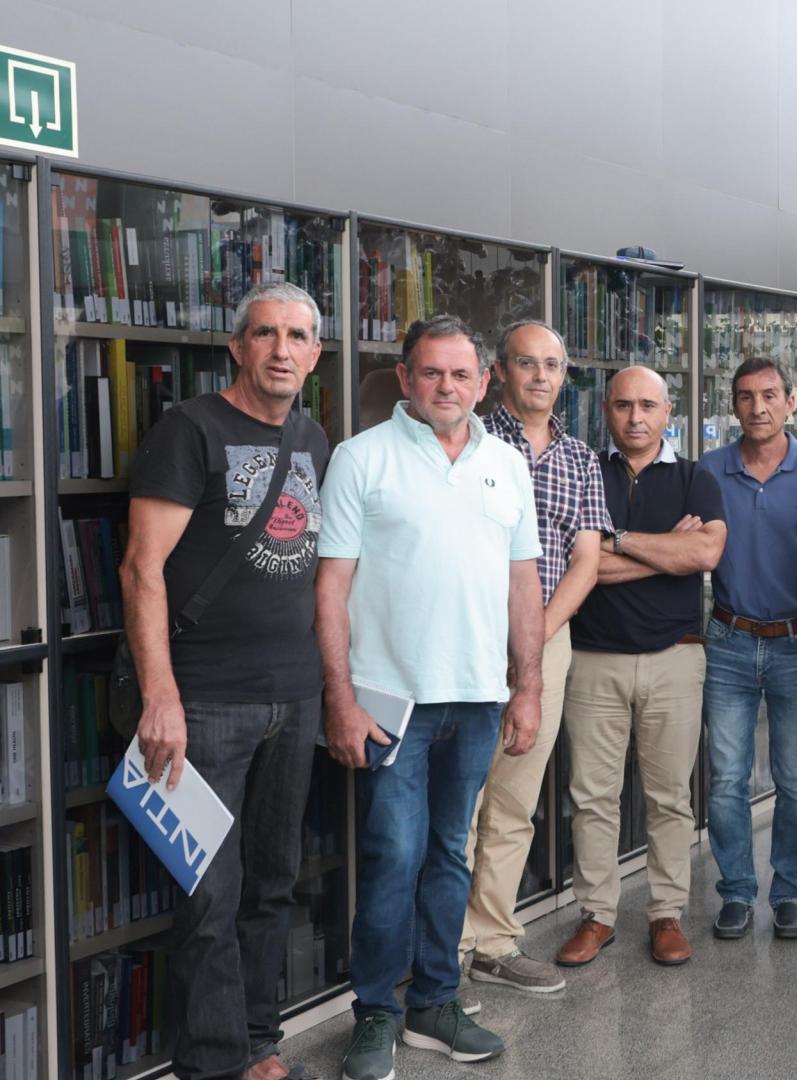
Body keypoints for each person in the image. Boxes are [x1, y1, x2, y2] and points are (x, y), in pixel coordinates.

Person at [319, 314, 544, 1079]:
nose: (446, 386)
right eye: (431, 372)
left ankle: (435, 1005)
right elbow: (331, 587)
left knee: (451, 852)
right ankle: (376, 1014)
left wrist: (527, 688)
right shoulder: (361, 458)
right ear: (405, 378)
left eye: (461, 374)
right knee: (393, 856)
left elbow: (523, 583)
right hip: (391, 701)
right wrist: (340, 697)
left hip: (478, 698)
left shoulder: (506, 463)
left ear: (484, 383)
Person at [121, 282, 331, 1080]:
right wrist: (160, 697)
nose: (282, 349)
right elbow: (141, 569)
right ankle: (212, 1065)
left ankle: (257, 1046)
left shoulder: (313, 438)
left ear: (315, 354)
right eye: (266, 333)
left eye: (298, 336)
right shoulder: (189, 430)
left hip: (295, 696)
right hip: (205, 701)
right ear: (238, 346)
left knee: (271, 885)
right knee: (208, 896)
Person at [458, 321, 613, 994]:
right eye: (528, 363)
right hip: (466, 640)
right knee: (459, 802)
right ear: (499, 371)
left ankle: (492, 942)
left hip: (546, 644)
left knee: (514, 802)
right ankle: (444, 947)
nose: (541, 376)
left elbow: (587, 561)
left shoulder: (579, 458)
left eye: (553, 365)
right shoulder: (466, 442)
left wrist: (533, 638)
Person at [555, 366, 726, 970]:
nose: (635, 417)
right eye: (624, 405)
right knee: (592, 797)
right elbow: (575, 564)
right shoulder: (584, 471)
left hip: (675, 658)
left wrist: (616, 541)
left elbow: (705, 551)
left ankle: (666, 914)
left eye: (648, 406)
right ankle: (597, 914)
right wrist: (663, 551)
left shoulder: (695, 478)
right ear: (606, 409)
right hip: (592, 659)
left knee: (670, 797)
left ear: (667, 411)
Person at [701, 357, 797, 941]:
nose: (758, 407)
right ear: (733, 404)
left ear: (791, 400)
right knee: (727, 780)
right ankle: (736, 891)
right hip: (728, 640)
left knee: (796, 780)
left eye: (770, 395)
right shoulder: (709, 470)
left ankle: (788, 893)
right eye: (746, 396)